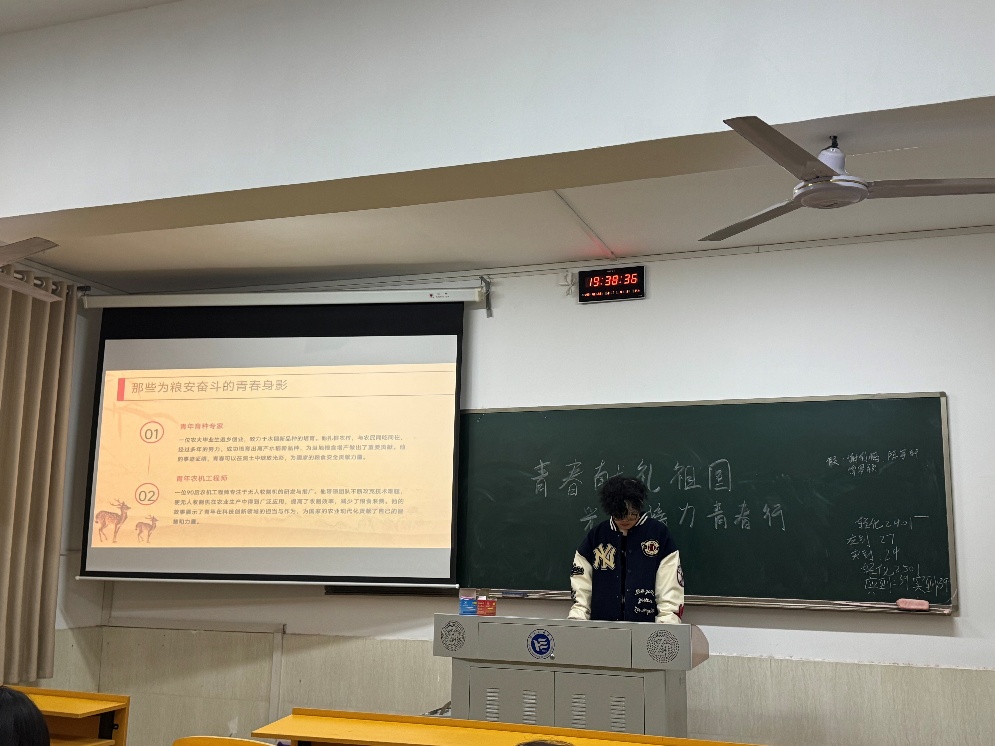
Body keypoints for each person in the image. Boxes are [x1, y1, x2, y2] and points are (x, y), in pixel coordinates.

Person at [568, 475, 684, 623]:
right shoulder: (597, 536)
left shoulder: (658, 534)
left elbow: (670, 584)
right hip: (602, 625)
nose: (625, 520)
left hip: (646, 626)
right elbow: (581, 582)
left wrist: (666, 623)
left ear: (639, 506)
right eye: (619, 515)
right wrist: (578, 617)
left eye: (631, 514)